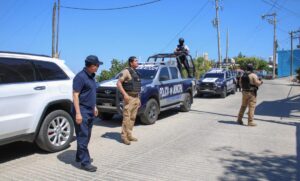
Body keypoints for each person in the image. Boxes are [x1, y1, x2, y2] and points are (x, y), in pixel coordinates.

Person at [72, 55, 103, 172]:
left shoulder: (91, 77)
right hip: (82, 111)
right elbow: (75, 95)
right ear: (92, 66)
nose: (98, 67)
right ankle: (85, 163)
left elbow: (90, 93)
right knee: (83, 137)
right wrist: (78, 114)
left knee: (86, 136)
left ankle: (79, 156)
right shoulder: (80, 77)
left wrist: (94, 106)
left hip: (90, 111)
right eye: (97, 65)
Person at [117, 56, 141, 145]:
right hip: (129, 98)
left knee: (132, 118)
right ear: (131, 63)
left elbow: (137, 87)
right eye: (136, 61)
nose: (137, 62)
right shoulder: (126, 71)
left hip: (136, 98)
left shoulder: (136, 72)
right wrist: (125, 95)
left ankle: (129, 135)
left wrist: (139, 99)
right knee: (126, 118)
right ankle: (124, 137)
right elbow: (118, 83)